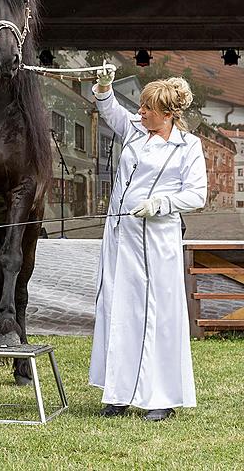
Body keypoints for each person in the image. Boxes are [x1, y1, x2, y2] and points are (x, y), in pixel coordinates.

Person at [89, 67, 207, 422]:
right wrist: (105, 85)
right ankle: (119, 393)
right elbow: (110, 109)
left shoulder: (188, 147)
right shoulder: (135, 132)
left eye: (147, 109)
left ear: (169, 114)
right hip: (120, 238)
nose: (139, 113)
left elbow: (197, 194)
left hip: (157, 241)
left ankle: (161, 397)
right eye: (139, 107)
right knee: (118, 309)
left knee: (156, 313)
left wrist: (162, 204)